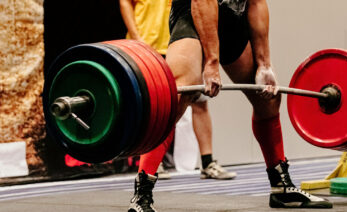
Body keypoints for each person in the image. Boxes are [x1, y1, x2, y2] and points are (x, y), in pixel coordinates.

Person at [125, 0, 334, 211]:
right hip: (194, 16)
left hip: (232, 19)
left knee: (268, 99)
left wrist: (264, 64)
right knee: (176, 98)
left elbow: (256, 3)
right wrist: (211, 63)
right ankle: (141, 196)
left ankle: (281, 187)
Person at [119, 0, 236, 181]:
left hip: (180, 42)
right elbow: (125, 2)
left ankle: (208, 162)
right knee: (160, 108)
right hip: (147, 47)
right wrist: (136, 37)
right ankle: (152, 165)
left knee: (199, 103)